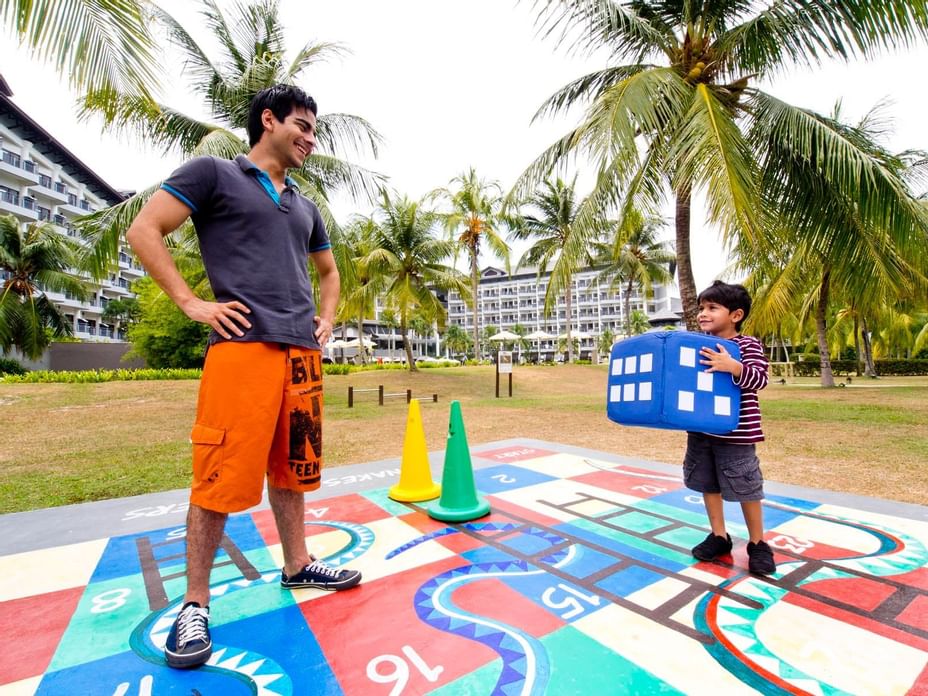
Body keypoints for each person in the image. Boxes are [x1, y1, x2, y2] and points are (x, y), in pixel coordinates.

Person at [126, 84, 361, 670]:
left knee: (292, 469)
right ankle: (195, 604)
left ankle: (297, 565)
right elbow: (144, 230)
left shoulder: (305, 206)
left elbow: (329, 273)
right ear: (269, 120)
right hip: (241, 350)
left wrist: (326, 319)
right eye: (302, 125)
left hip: (301, 356)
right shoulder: (213, 173)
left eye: (314, 130)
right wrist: (190, 303)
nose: (310, 138)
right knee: (219, 477)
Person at [684, 280, 776, 576]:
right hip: (700, 432)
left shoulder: (747, 345)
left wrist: (732, 365)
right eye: (701, 308)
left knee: (746, 487)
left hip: (737, 434)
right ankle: (719, 536)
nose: (703, 314)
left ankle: (758, 543)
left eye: (712, 308)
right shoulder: (698, 344)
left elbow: (759, 379)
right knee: (707, 484)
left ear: (735, 315)